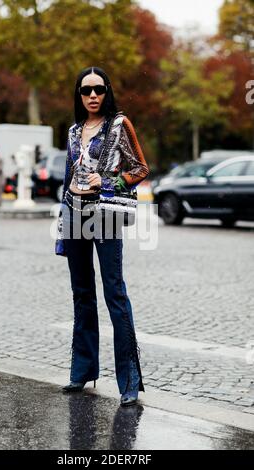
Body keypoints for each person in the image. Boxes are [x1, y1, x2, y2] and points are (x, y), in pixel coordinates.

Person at [56, 66, 149, 406]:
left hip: (106, 216)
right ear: (78, 95)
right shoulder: (72, 131)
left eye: (98, 89)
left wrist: (107, 183)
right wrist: (62, 225)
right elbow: (68, 175)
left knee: (114, 293)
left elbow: (140, 168)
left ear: (107, 91)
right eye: (86, 90)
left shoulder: (119, 125)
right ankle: (82, 372)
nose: (93, 95)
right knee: (81, 293)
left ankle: (129, 381)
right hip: (74, 215)